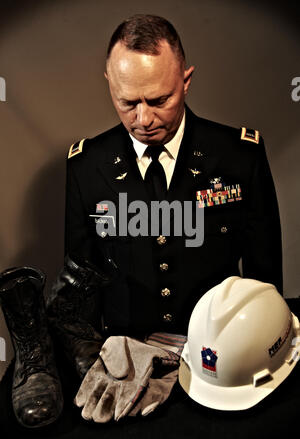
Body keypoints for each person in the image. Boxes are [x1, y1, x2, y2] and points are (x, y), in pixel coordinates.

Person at [65, 14, 282, 338]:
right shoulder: (86, 165)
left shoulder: (240, 156)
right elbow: (79, 288)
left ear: (186, 81)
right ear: (110, 81)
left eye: (159, 100)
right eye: (127, 102)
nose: (143, 119)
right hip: (126, 357)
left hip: (220, 352)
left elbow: (265, 283)